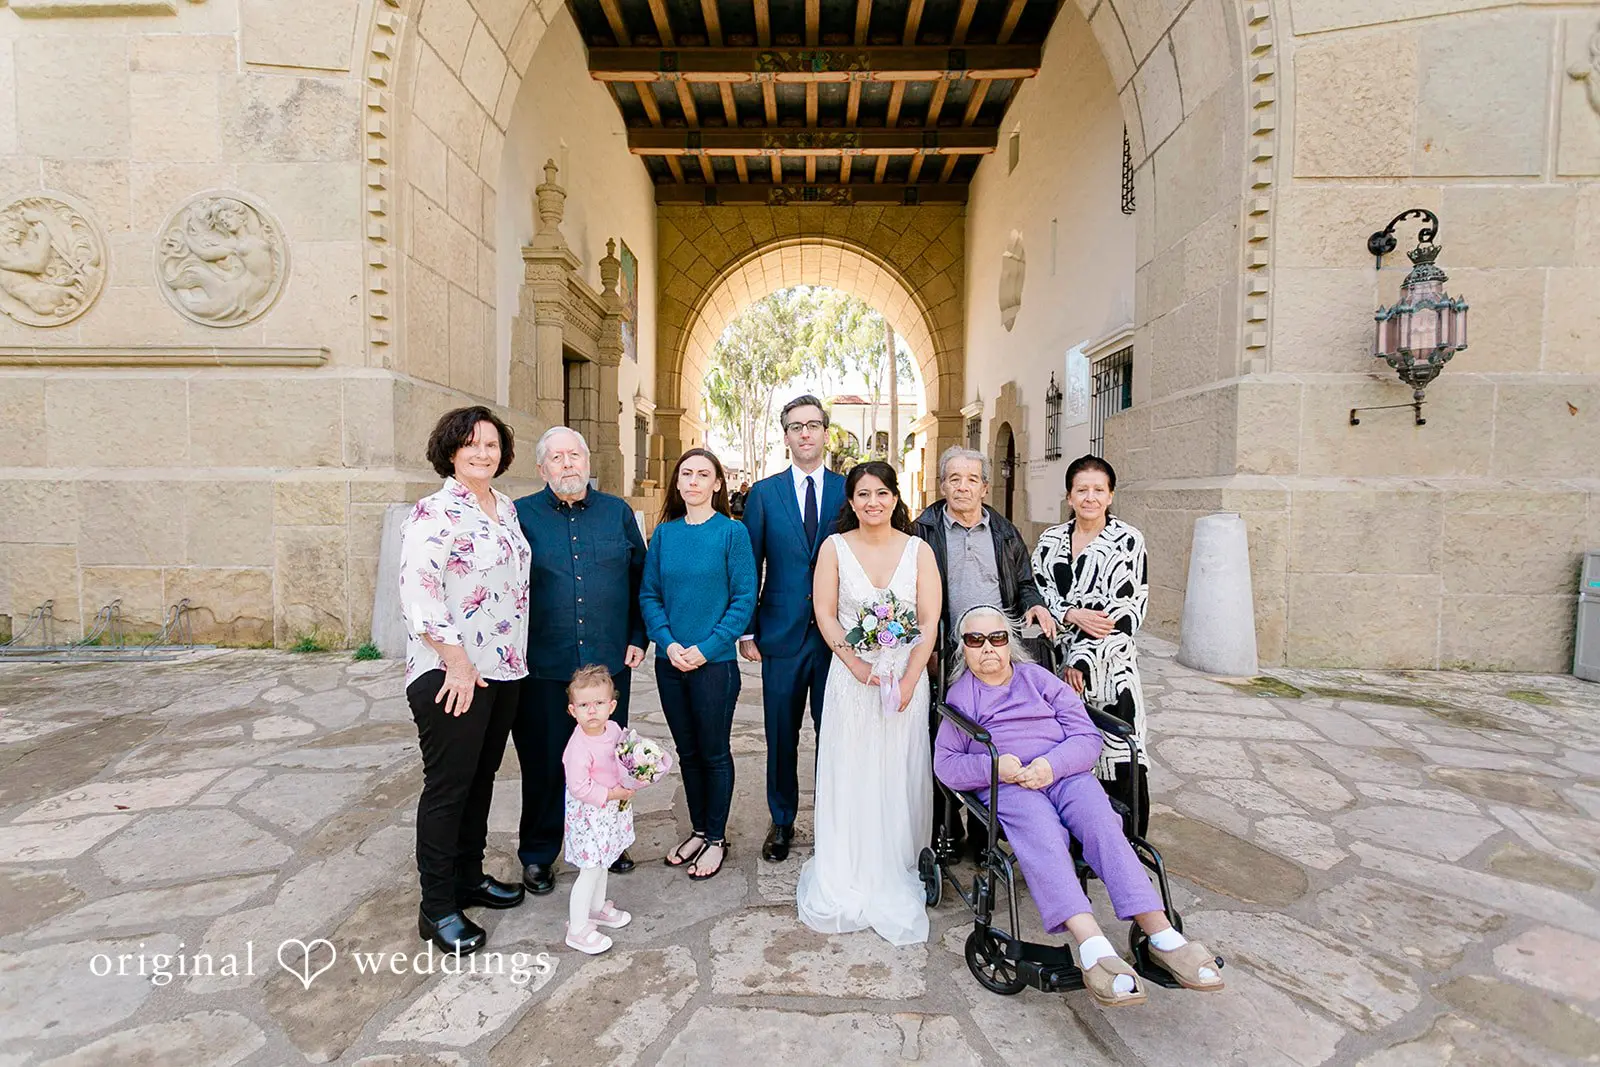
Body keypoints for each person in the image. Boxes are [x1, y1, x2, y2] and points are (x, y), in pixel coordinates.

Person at [936, 605, 1223, 1006]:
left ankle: (1163, 936)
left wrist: (1051, 766)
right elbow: (946, 765)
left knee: (1103, 823)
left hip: (1063, 773)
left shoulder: (1039, 679)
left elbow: (1087, 736)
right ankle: (1093, 948)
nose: (988, 648)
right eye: (975, 640)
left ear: (1010, 643)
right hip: (1010, 785)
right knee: (1043, 835)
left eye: (997, 638)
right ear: (963, 648)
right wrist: (994, 768)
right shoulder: (961, 697)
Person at [398, 406, 531, 956]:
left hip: (503, 668)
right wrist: (456, 662)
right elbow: (419, 593)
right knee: (448, 788)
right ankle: (437, 907)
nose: (483, 453)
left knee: (481, 780)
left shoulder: (506, 507)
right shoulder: (433, 512)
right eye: (471, 443)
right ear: (450, 451)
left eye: (492, 445)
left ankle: (468, 878)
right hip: (452, 673)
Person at [796, 461, 940, 946]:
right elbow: (825, 612)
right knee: (853, 766)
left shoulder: (918, 550)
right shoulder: (834, 548)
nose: (873, 502)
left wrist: (910, 678)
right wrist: (857, 665)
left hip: (904, 679)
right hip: (851, 680)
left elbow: (929, 619)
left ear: (895, 499)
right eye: (863, 494)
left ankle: (899, 857)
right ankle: (850, 860)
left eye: (881, 493)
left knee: (898, 766)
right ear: (852, 502)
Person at [514, 427, 647, 895]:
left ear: (588, 462)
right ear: (541, 468)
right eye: (556, 457)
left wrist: (638, 636)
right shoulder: (520, 515)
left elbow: (641, 580)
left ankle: (610, 844)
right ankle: (538, 852)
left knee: (610, 760)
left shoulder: (617, 513)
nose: (567, 463)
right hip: (543, 665)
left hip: (607, 666)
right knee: (544, 762)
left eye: (574, 455)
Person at [912, 445, 1057, 860]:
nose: (963, 487)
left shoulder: (1005, 531)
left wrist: (1035, 604)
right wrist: (927, 647)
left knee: (991, 737)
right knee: (943, 738)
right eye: (954, 479)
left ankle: (983, 834)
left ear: (985, 487)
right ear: (942, 485)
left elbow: (1025, 582)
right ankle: (946, 828)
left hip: (995, 652)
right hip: (947, 652)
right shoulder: (923, 530)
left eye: (972, 479)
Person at [738, 396, 847, 862]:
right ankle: (781, 821)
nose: (805, 433)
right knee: (781, 734)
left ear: (826, 433)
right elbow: (750, 564)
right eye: (796, 426)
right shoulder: (765, 494)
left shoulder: (849, 490)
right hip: (780, 635)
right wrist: (747, 630)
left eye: (813, 425)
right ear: (785, 436)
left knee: (834, 733)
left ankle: (831, 821)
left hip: (837, 638)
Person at [640, 448, 757, 882]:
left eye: (702, 474)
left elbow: (743, 599)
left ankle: (716, 839)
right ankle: (699, 829)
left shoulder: (732, 533)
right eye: (685, 473)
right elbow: (649, 594)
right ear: (677, 482)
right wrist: (668, 643)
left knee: (713, 751)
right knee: (687, 752)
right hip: (670, 662)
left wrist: (707, 647)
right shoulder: (665, 534)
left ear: (717, 484)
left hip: (714, 665)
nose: (693, 481)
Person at [1031, 455, 1151, 836]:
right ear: (1069, 496)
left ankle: (1126, 842)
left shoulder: (1128, 541)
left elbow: (1125, 612)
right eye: (1081, 489)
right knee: (1069, 756)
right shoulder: (1050, 542)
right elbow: (1037, 592)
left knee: (1119, 751)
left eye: (1099, 490)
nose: (1090, 497)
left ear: (1111, 495)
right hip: (1057, 666)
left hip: (1111, 668)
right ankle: (1077, 840)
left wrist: (1080, 662)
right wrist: (1071, 614)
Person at [561, 666, 651, 955]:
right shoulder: (578, 747)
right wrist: (613, 793)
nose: (592, 711)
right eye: (584, 705)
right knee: (590, 869)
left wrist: (639, 769)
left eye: (599, 703)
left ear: (611, 706)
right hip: (589, 815)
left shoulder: (612, 730)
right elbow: (579, 788)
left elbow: (625, 753)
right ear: (572, 710)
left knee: (604, 860)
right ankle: (577, 928)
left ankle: (597, 908)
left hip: (610, 812)